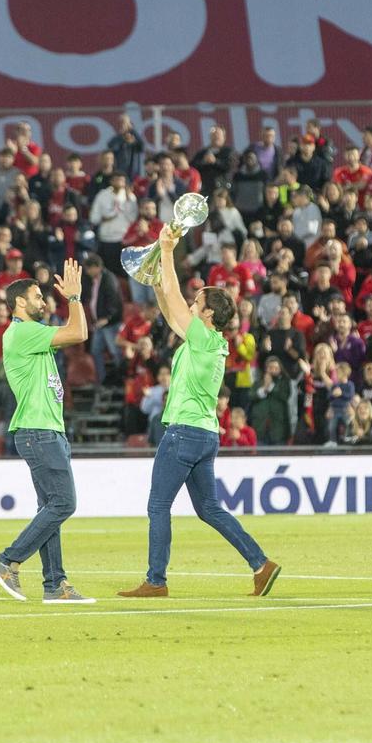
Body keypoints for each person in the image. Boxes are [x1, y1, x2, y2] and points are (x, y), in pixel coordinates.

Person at [121, 225, 280, 599]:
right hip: (206, 434)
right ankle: (261, 564)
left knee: (158, 505)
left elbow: (176, 299)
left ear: (207, 313)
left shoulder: (204, 337)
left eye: (198, 301)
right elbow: (172, 309)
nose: (191, 302)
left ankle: (156, 580)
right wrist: (156, 281)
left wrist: (167, 250)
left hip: (184, 433)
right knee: (209, 508)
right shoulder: (210, 340)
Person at [0, 260, 92, 604]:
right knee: (63, 503)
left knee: (50, 508)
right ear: (19, 302)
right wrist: (74, 298)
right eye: (37, 296)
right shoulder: (23, 332)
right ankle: (8, 560)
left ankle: (55, 584)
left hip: (46, 430)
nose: (44, 302)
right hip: (38, 430)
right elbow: (79, 333)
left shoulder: (29, 335)